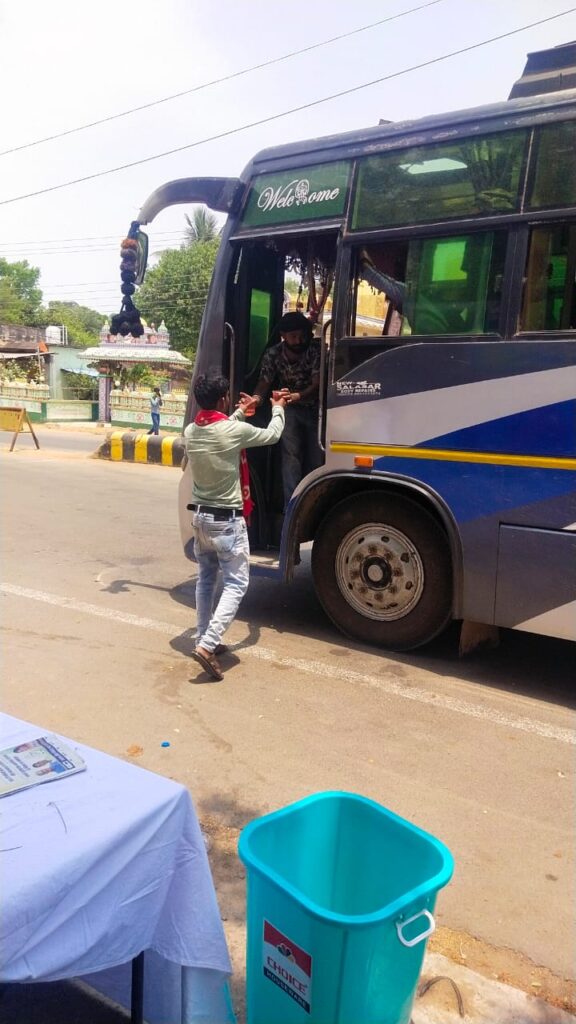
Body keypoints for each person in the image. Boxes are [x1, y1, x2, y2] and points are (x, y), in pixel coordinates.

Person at [184, 372, 286, 680]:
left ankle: (204, 636)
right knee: (237, 584)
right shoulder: (233, 431)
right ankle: (208, 645)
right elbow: (272, 435)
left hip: (200, 519)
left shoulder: (191, 431)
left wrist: (242, 411)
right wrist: (278, 408)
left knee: (205, 580)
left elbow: (220, 428)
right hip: (226, 522)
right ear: (222, 399)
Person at [251, 311, 322, 508]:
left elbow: (317, 385)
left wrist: (297, 396)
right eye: (293, 336)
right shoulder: (273, 354)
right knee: (291, 457)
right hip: (288, 409)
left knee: (316, 458)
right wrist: (255, 400)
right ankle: (291, 506)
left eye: (302, 335)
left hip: (316, 410)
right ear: (283, 336)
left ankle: (314, 505)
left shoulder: (315, 350)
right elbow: (264, 383)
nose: (299, 340)